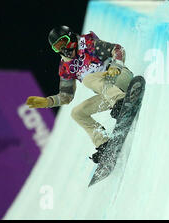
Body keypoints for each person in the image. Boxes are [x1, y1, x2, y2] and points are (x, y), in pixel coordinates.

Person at [25, 26, 134, 161]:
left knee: (88, 79)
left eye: (63, 42)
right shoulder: (66, 66)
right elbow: (66, 96)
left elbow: (118, 49)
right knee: (77, 113)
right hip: (110, 94)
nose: (62, 49)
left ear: (70, 37)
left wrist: (116, 66)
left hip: (122, 78)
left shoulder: (88, 44)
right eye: (57, 47)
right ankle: (104, 144)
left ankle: (121, 102)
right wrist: (48, 102)